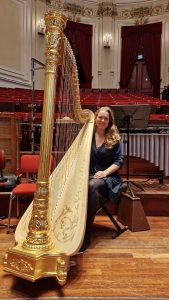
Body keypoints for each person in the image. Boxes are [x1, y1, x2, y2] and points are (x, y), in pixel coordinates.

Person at [80, 106, 124, 252]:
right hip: (88, 174)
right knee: (83, 185)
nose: (103, 120)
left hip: (108, 178)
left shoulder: (114, 137)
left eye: (106, 118)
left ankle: (85, 236)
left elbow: (119, 161)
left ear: (109, 121)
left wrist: (104, 173)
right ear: (95, 118)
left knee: (91, 186)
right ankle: (72, 229)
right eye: (100, 117)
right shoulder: (87, 135)